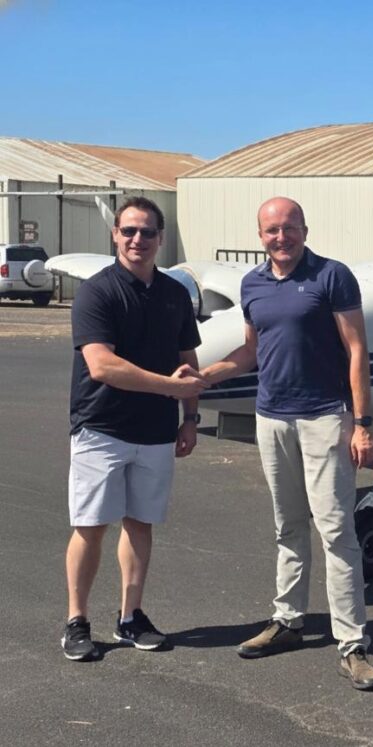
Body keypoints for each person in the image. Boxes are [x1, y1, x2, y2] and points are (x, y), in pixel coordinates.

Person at [201, 197, 373, 691]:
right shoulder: (252, 283)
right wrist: (202, 376)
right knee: (288, 525)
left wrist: (362, 422)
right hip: (273, 419)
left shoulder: (332, 276)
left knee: (336, 531)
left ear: (304, 229)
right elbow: (252, 350)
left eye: (289, 228)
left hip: (325, 417)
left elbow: (357, 349)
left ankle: (352, 645)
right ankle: (289, 622)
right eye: (271, 230)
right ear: (259, 235)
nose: (281, 237)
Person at [62, 196, 206, 662]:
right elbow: (102, 366)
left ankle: (130, 616)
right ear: (115, 235)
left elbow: (189, 361)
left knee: (140, 524)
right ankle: (77, 621)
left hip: (157, 432)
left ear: (161, 239)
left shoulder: (174, 294)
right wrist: (169, 387)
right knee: (91, 526)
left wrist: (190, 417)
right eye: (128, 231)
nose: (137, 240)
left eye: (147, 232)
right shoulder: (97, 292)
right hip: (101, 427)